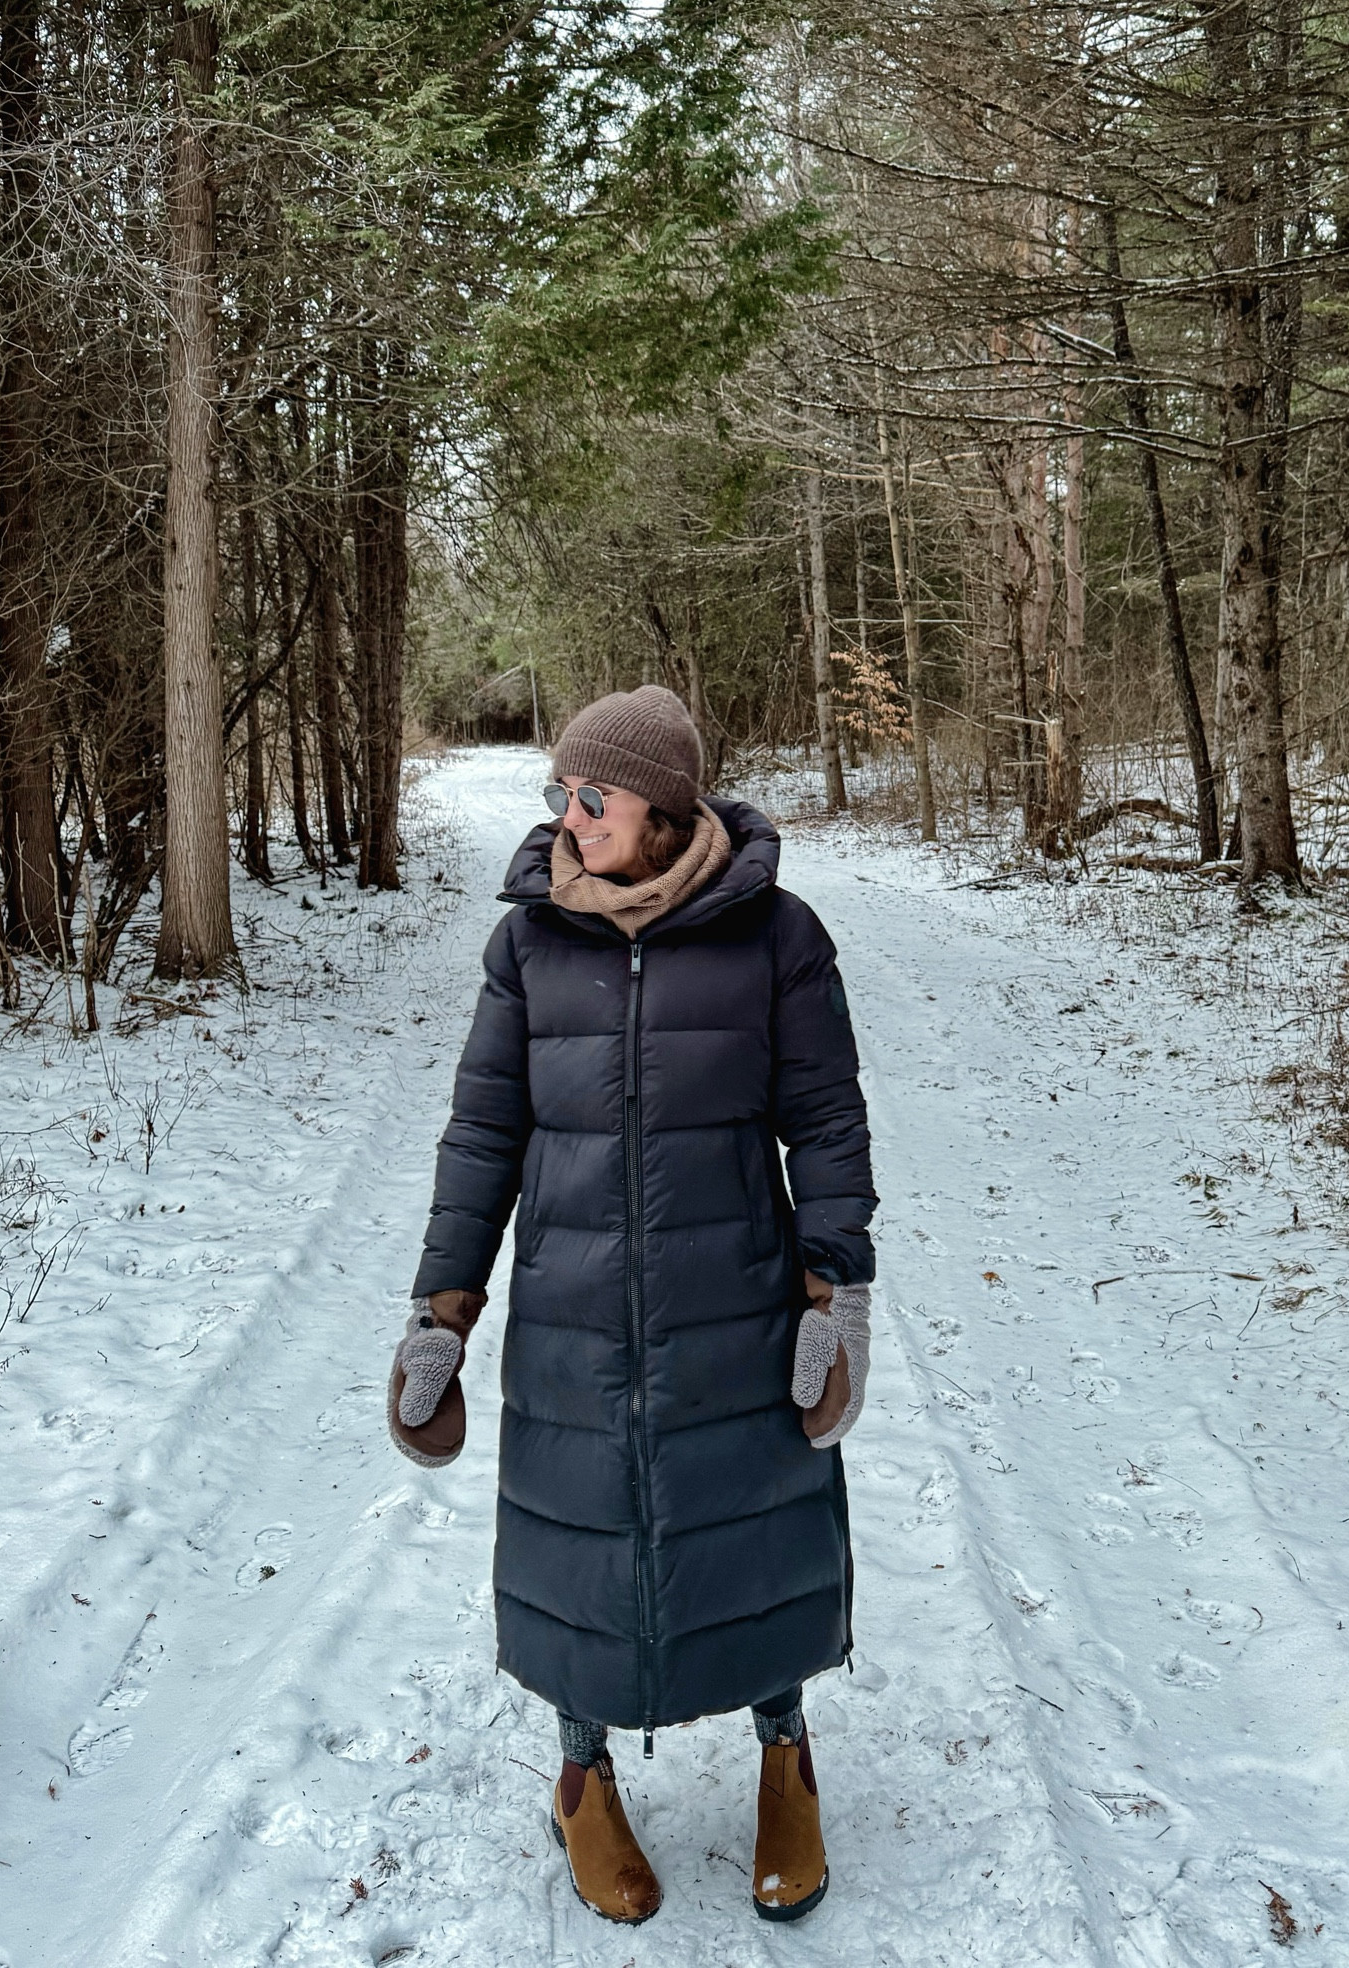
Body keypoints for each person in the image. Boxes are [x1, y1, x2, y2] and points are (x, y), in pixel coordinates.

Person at [386, 685, 877, 1926]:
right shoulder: (530, 941)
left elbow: (823, 1120)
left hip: (736, 1299)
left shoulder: (776, 937)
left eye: (590, 796)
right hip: (573, 1306)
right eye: (560, 792)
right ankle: (581, 1775)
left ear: (660, 807)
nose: (568, 813)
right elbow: (483, 1130)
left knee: (758, 1529)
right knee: (581, 1542)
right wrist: (441, 1307)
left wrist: (836, 1286)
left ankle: (786, 1756)